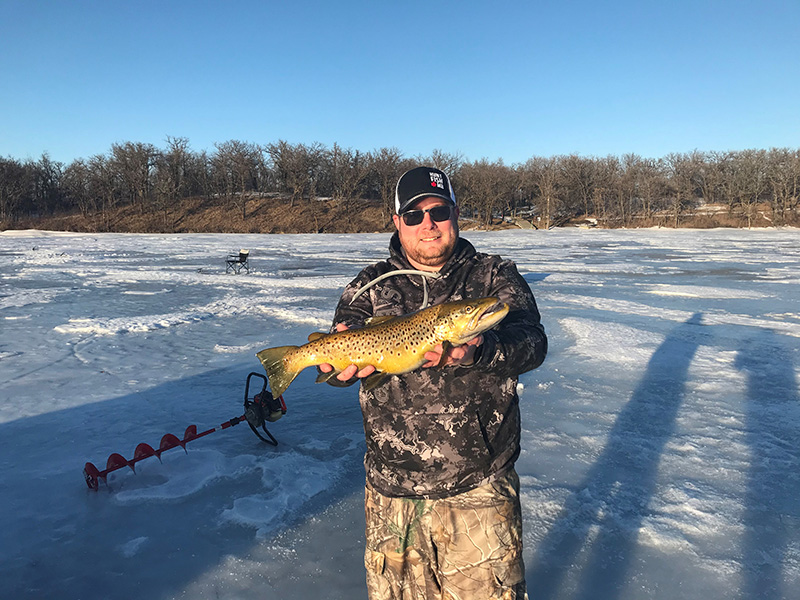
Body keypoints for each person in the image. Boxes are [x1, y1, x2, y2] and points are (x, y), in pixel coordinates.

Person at [319, 166, 547, 600]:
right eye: (414, 215)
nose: (428, 224)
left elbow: (532, 343)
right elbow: (339, 366)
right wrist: (336, 370)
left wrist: (480, 351)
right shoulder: (367, 286)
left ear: (455, 214)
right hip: (392, 497)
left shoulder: (492, 277)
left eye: (438, 211)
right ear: (397, 222)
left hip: (479, 490)